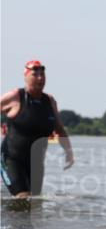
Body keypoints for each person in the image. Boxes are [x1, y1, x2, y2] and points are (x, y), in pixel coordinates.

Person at [1, 60, 73, 197]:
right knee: (24, 197)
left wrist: (69, 152)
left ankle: (8, 215)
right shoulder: (16, 96)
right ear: (26, 76)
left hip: (36, 164)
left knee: (35, 205)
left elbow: (60, 129)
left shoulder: (49, 101)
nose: (40, 78)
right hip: (11, 159)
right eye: (35, 74)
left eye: (42, 74)